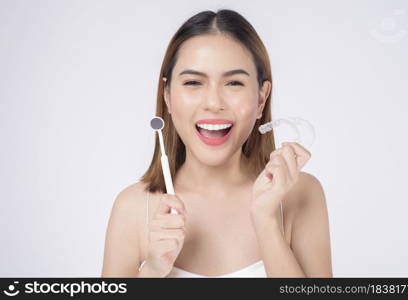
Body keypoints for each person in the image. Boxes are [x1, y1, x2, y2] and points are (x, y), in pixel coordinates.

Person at [101, 9, 332, 278]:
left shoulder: (299, 194)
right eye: (193, 82)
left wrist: (266, 222)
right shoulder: (133, 208)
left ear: (261, 98)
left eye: (234, 83)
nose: (213, 103)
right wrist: (153, 270)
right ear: (167, 96)